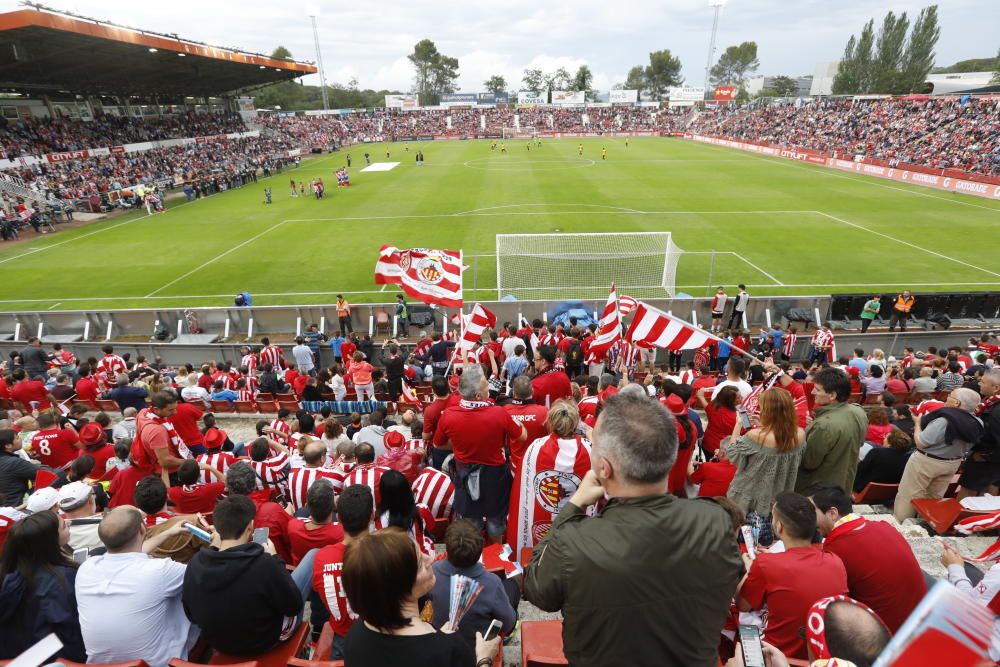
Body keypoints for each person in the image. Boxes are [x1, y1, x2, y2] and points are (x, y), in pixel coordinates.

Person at [524, 391, 741, 667]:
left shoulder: (574, 539)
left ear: (604, 468)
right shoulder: (716, 523)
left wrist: (574, 505)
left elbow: (536, 589)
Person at [182, 495, 316, 657]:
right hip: (266, 642)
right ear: (250, 527)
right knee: (313, 555)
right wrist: (275, 559)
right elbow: (293, 606)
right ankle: (318, 629)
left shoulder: (195, 564)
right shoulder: (264, 564)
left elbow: (191, 615)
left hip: (220, 643)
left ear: (217, 529)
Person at [342, 529, 500, 667]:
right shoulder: (448, 650)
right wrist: (484, 660)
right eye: (419, 563)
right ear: (399, 586)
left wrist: (439, 639)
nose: (430, 559)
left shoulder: (354, 637)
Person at [75, 507, 199, 667]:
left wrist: (168, 533)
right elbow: (205, 574)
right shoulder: (160, 570)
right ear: (142, 529)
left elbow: (127, 555)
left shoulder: (86, 568)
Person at [737, 492, 848, 660]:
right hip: (823, 657)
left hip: (776, 657)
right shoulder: (836, 562)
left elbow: (742, 605)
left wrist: (747, 568)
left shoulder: (766, 564)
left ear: (779, 527)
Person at [806, 482, 926, 633]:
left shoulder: (836, 548)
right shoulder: (884, 526)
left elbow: (827, 600)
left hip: (882, 636)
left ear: (832, 513)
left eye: (811, 512)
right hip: (919, 622)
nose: (808, 519)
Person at [434, 367, 526, 543]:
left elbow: (438, 443)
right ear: (477, 396)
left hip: (465, 473)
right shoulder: (499, 413)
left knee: (472, 523)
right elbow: (522, 435)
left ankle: (475, 554)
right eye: (486, 385)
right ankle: (497, 557)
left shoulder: (448, 415)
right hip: (495, 477)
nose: (489, 387)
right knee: (495, 522)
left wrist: (459, 445)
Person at [0, 510, 86, 662]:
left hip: (17, 658)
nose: (69, 523)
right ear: (50, 540)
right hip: (61, 659)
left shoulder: (8, 576)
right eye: (63, 526)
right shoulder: (66, 576)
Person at [508, 400, 591, 554]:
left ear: (551, 422)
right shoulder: (589, 448)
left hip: (538, 528)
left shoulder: (535, 447)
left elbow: (524, 490)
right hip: (578, 531)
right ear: (575, 424)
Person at [724, 389, 805, 543]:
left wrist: (738, 424)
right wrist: (764, 426)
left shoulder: (755, 436)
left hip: (750, 500)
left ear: (768, 411)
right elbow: (779, 446)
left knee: (744, 544)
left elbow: (732, 454)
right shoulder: (800, 434)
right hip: (779, 501)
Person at [893, 387, 985, 521]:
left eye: (950, 396)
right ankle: (927, 523)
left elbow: (921, 442)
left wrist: (918, 424)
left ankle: (902, 525)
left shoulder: (944, 420)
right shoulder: (978, 422)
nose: (947, 398)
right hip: (952, 462)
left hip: (927, 461)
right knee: (934, 496)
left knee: (909, 495)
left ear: (956, 403)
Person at [430, 519, 517, 648]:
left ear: (446, 547)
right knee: (512, 586)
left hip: (440, 644)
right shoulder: (492, 583)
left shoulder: (432, 572)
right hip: (477, 650)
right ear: (480, 549)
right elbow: (509, 623)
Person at [795, 368, 867, 494]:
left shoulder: (823, 426)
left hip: (819, 492)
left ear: (832, 395)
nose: (812, 392)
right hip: (844, 485)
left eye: (817, 389)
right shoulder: (858, 411)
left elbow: (808, 462)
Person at [957, 370, 1000, 500]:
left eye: (982, 381)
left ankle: (960, 518)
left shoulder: (996, 412)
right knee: (988, 491)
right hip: (990, 460)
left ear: (996, 388)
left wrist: (984, 456)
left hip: (986, 460)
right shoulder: (991, 403)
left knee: (968, 492)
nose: (979, 383)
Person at [375, 469, 435, 556]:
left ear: (383, 493)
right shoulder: (422, 509)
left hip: (395, 562)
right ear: (407, 489)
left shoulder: (379, 519)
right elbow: (431, 527)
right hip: (423, 558)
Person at [287, 478, 344, 565]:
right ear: (333, 506)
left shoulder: (292, 525)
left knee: (300, 512)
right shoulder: (341, 533)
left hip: (299, 572)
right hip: (325, 575)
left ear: (307, 505)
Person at [502, 375, 548, 472]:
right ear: (532, 391)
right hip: (538, 465)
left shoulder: (505, 411)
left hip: (515, 466)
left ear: (514, 393)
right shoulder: (544, 412)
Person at [854, 427, 914, 491]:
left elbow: (859, 471)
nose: (883, 438)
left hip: (865, 489)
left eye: (885, 437)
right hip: (889, 493)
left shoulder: (877, 453)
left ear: (890, 443)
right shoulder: (907, 458)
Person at [0, 429, 42, 506]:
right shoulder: (14, 462)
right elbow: (45, 475)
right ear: (8, 446)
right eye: (17, 438)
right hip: (16, 507)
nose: (20, 439)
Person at [696, 385, 739, 456]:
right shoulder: (736, 418)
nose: (742, 398)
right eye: (738, 397)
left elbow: (706, 406)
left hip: (708, 444)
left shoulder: (712, 407)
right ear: (730, 401)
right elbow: (744, 432)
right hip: (723, 449)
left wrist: (700, 396)